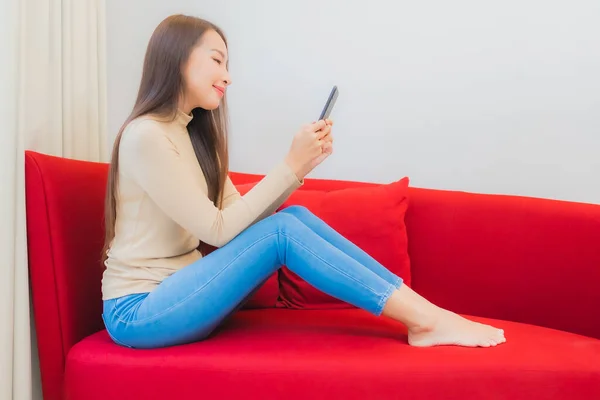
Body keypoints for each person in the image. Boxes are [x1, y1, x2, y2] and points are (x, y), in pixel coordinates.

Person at [101, 14, 506, 350]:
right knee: (281, 232)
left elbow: (237, 214)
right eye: (217, 60)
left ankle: (425, 315)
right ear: (177, 58)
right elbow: (218, 231)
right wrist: (289, 165)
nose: (227, 76)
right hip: (139, 311)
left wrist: (300, 168)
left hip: (183, 297)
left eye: (228, 65)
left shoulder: (191, 137)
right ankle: (426, 320)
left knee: (292, 216)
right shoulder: (146, 135)